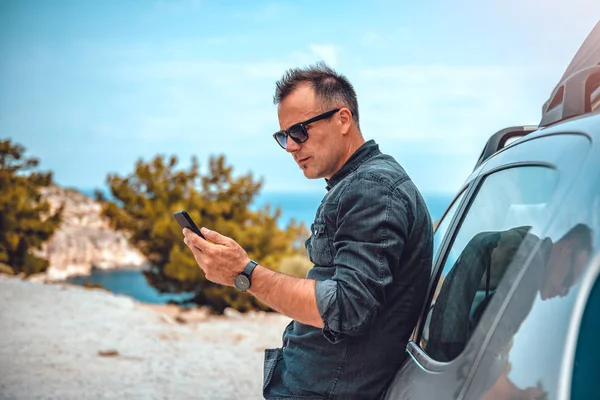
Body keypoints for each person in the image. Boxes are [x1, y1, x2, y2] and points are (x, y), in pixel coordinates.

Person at [182, 63, 433, 399]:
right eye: (283, 136)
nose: (290, 146)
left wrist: (244, 273)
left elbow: (348, 307)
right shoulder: (355, 185)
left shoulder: (371, 189)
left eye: (300, 131)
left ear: (343, 119)